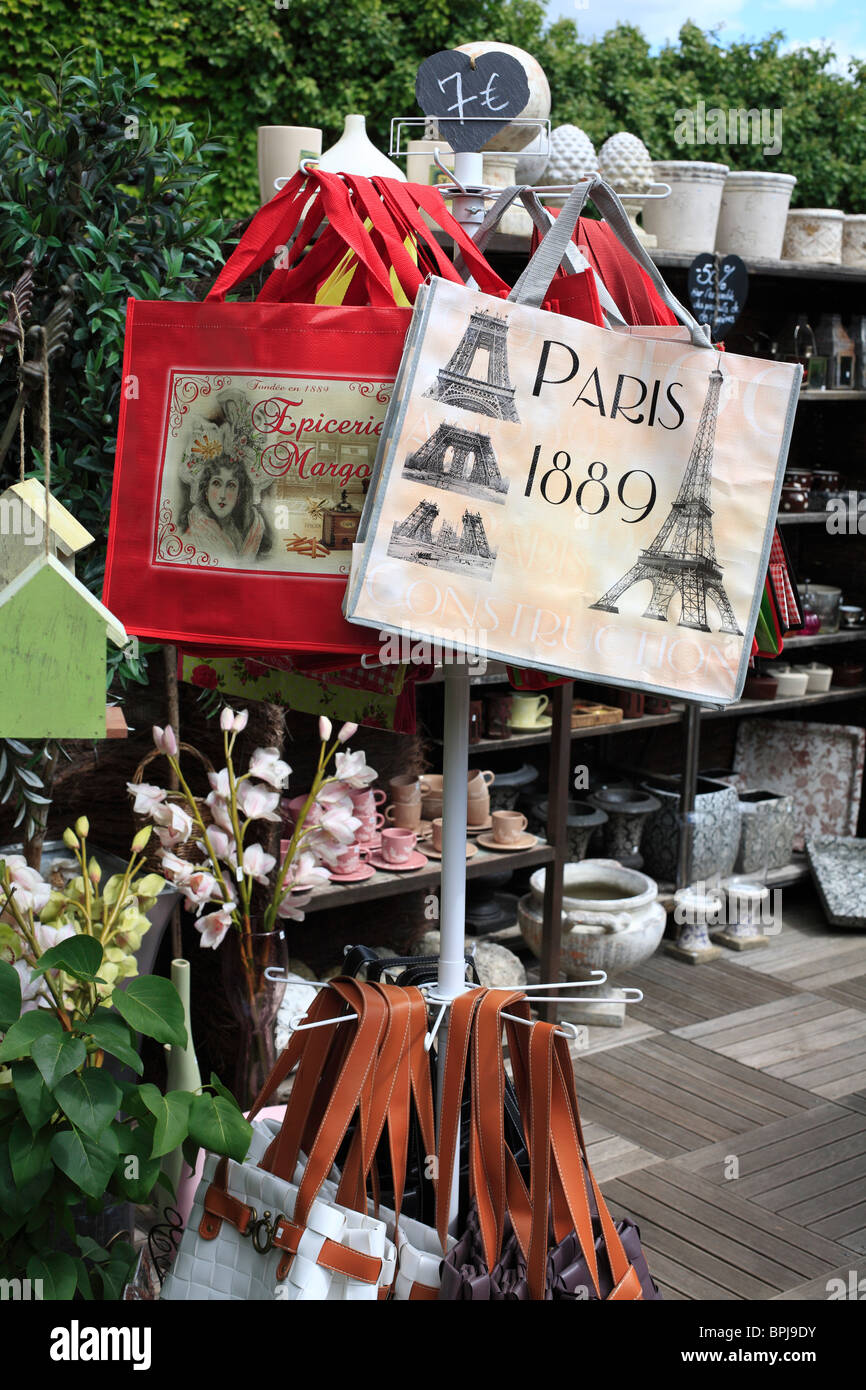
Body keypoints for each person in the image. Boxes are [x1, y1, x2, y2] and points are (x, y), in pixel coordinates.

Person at [180, 454, 272, 563]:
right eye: (216, 483)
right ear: (206, 490)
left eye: (231, 486)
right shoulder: (191, 539)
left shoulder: (253, 532)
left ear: (238, 494)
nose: (222, 495)